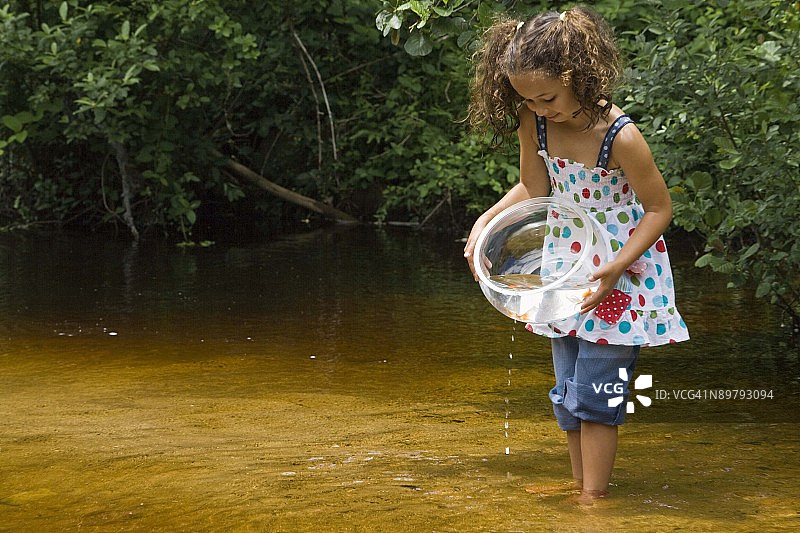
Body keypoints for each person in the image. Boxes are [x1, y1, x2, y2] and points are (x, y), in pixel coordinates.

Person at [462, 6, 690, 501]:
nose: (538, 107)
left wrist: (618, 265)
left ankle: (594, 501)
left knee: (598, 392)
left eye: (547, 97)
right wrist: (486, 220)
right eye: (527, 99)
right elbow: (533, 187)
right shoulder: (535, 122)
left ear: (575, 75)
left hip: (619, 274)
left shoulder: (620, 135)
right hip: (564, 270)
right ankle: (579, 486)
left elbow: (659, 208)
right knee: (567, 389)